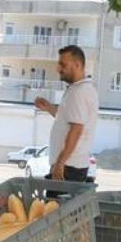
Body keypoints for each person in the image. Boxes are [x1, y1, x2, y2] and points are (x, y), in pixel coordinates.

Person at [35, 45, 98, 183]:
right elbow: (70, 119)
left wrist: (60, 162)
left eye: (63, 64)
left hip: (69, 167)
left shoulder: (80, 92)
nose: (59, 68)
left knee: (57, 205)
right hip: (70, 166)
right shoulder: (79, 89)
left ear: (77, 65)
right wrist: (50, 108)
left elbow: (76, 129)